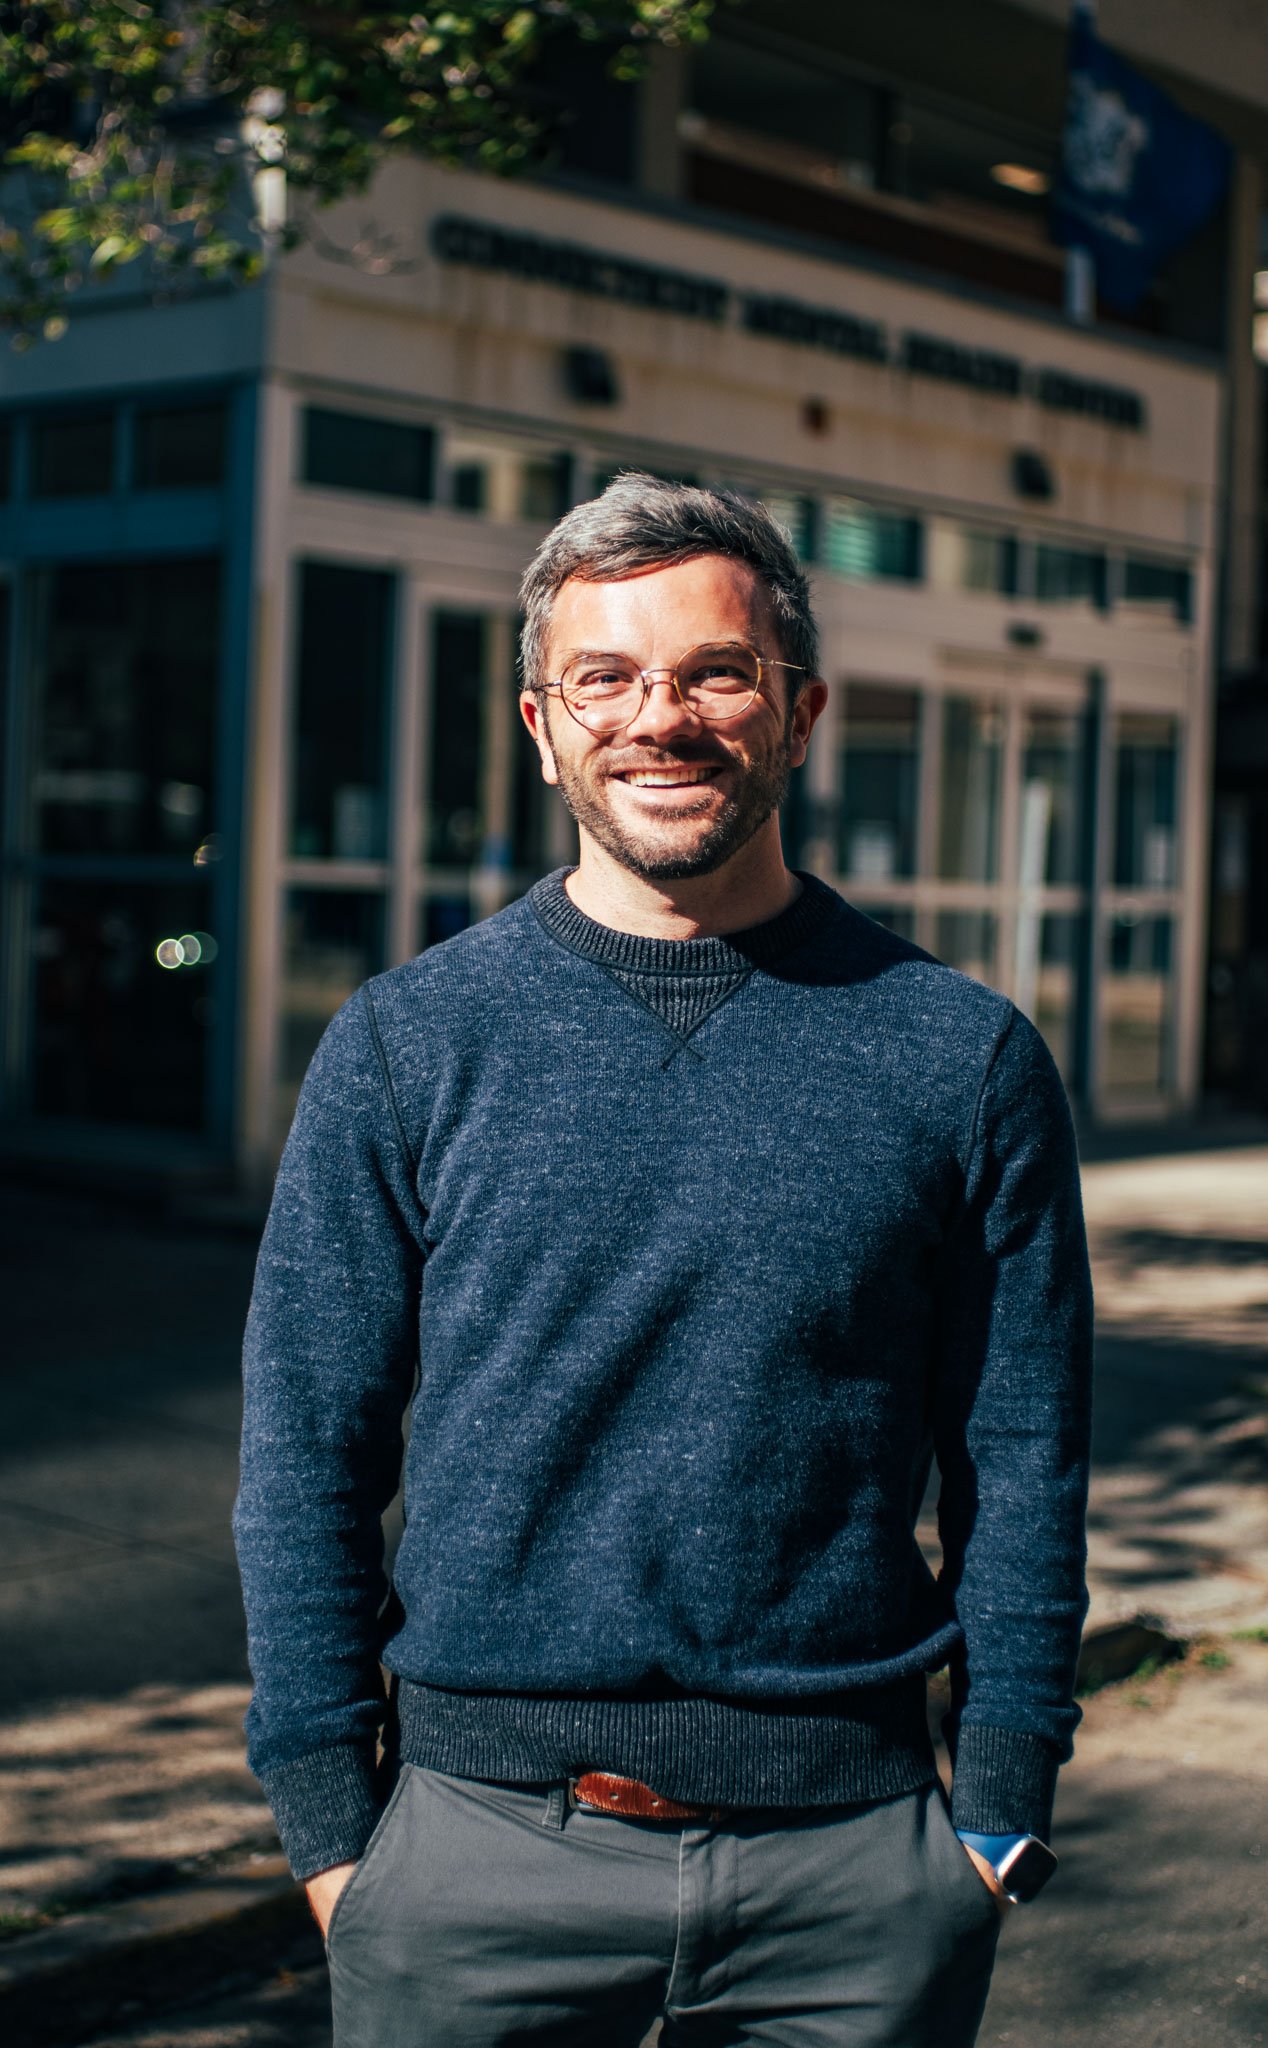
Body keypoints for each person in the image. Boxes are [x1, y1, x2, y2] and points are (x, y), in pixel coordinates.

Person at [234, 474, 1093, 2048]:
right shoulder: (409, 1047)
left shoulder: (959, 1057)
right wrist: (333, 1840)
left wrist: (1001, 1813)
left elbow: (1021, 1462)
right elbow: (305, 1451)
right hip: (472, 1871)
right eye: (606, 678)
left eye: (714, 673)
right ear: (540, 723)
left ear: (799, 709)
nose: (662, 718)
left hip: (854, 1883)